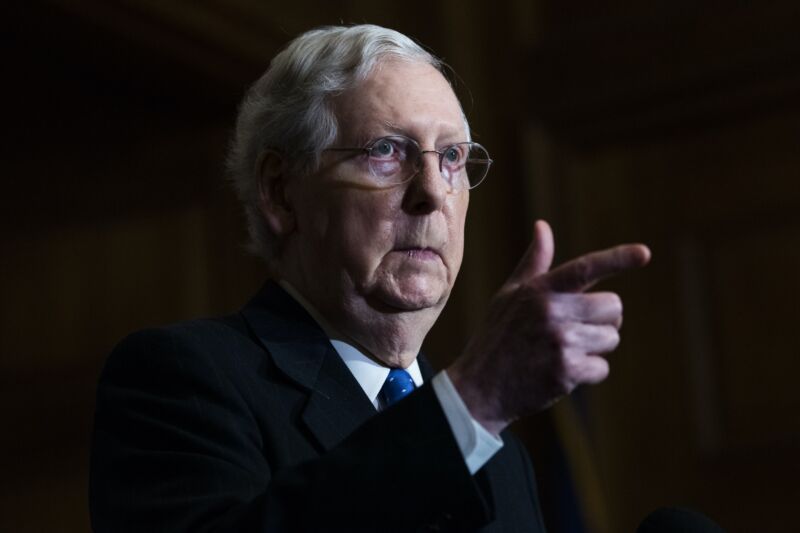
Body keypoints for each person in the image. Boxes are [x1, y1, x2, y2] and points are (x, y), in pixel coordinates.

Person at [89, 24, 650, 532]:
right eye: (386, 151)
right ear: (282, 193)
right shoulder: (184, 381)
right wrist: (475, 400)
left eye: (451, 157)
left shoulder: (499, 455)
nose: (433, 192)